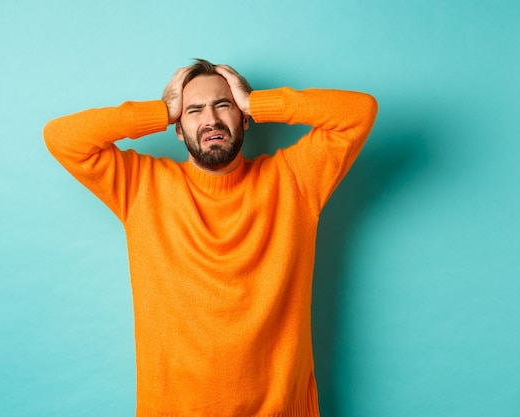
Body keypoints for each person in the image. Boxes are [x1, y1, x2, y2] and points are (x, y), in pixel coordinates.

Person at [44, 59, 378, 417]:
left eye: (224, 105)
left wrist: (257, 102)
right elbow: (62, 137)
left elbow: (359, 112)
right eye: (194, 110)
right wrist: (161, 110)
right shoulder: (141, 185)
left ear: (244, 118)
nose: (211, 120)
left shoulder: (294, 179)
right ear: (177, 127)